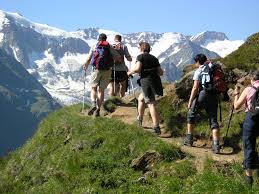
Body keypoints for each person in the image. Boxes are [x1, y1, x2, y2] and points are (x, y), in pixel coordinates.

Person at [183, 54, 221, 154]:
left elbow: (195, 88)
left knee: (191, 114)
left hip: (203, 94)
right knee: (213, 120)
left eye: (195, 61)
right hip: (214, 95)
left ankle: (189, 139)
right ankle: (216, 145)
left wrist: (190, 101)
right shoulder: (213, 67)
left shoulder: (199, 70)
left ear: (197, 61)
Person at [127, 42, 163, 135]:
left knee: (151, 103)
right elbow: (160, 72)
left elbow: (138, 69)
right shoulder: (154, 58)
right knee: (141, 99)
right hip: (155, 81)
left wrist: (130, 72)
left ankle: (156, 127)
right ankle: (139, 120)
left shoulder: (140, 57)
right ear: (149, 49)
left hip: (146, 81)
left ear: (141, 49)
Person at [84, 33, 120, 117]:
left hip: (96, 70)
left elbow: (89, 58)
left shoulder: (95, 45)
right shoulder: (109, 46)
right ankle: (98, 109)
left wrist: (86, 64)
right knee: (101, 90)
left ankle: (93, 103)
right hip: (107, 70)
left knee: (93, 88)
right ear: (106, 39)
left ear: (98, 39)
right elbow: (118, 57)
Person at [233, 71, 259, 186]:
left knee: (249, 146)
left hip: (251, 120)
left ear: (253, 78)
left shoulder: (249, 89)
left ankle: (249, 180)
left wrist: (236, 94)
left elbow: (237, 106)